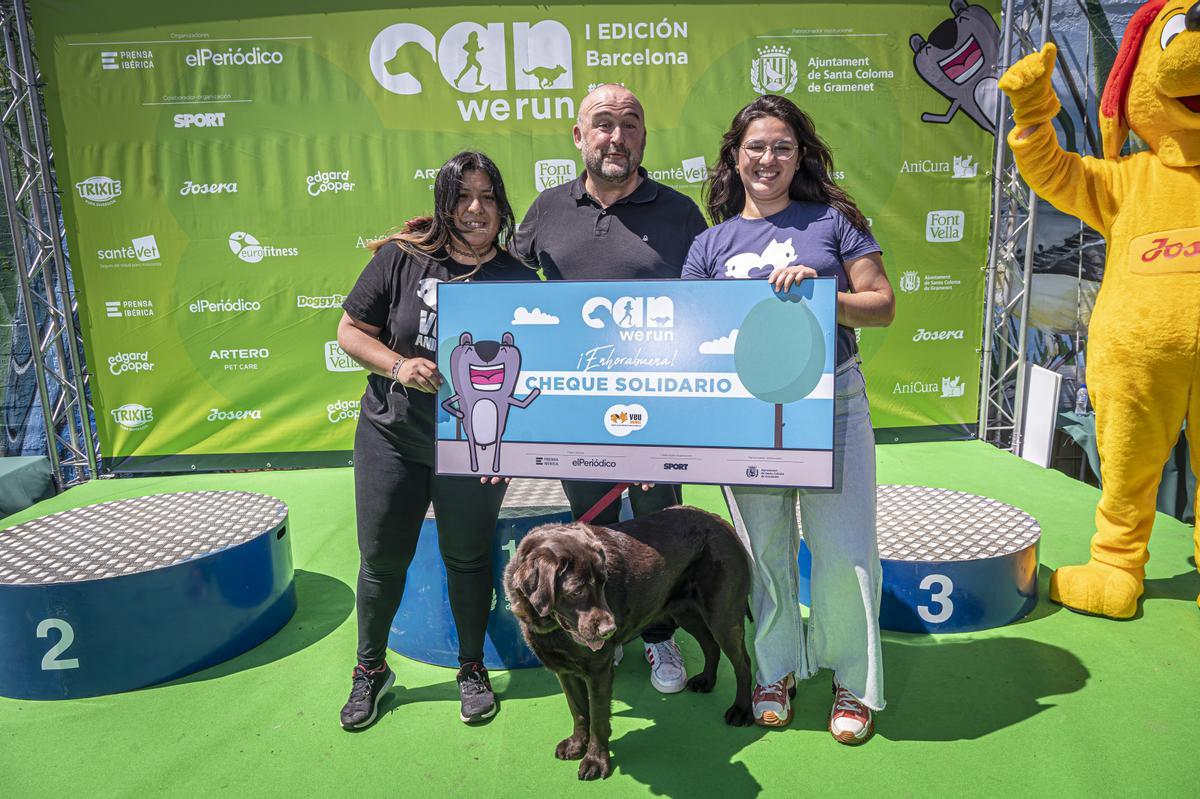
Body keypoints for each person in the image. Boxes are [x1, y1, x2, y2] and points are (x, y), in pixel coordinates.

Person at [682, 94, 895, 744]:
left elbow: (881, 304)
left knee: (845, 552)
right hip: (745, 418)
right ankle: (775, 670)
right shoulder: (708, 243)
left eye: (781, 146)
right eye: (756, 147)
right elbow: (687, 332)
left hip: (832, 405)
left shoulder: (831, 222)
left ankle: (852, 681)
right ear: (735, 157)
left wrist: (823, 297)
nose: (768, 158)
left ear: (799, 154)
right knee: (764, 554)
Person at [513, 84, 708, 693]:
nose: (616, 137)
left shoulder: (679, 214)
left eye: (630, 125)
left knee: (655, 533)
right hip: (579, 415)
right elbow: (502, 291)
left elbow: (712, 313)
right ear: (579, 137)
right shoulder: (546, 209)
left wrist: (674, 421)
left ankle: (658, 640)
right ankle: (598, 631)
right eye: (602, 124)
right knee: (588, 534)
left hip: (657, 412)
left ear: (644, 138)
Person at [336, 151, 535, 730]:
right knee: (381, 561)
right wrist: (399, 366)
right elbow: (350, 331)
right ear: (443, 204)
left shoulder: (521, 280)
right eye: (462, 197)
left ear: (501, 206)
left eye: (487, 197)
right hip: (392, 434)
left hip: (472, 446)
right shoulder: (404, 258)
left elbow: (535, 372)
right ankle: (370, 670)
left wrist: (509, 450)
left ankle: (471, 668)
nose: (475, 210)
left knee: (467, 559)